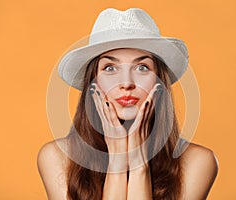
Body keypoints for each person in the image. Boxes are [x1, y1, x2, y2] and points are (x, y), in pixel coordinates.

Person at [37, 8, 218, 200]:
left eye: (142, 67)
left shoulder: (198, 162)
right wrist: (117, 163)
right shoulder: (57, 157)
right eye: (110, 67)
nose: (126, 83)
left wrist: (139, 164)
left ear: (159, 83)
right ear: (93, 83)